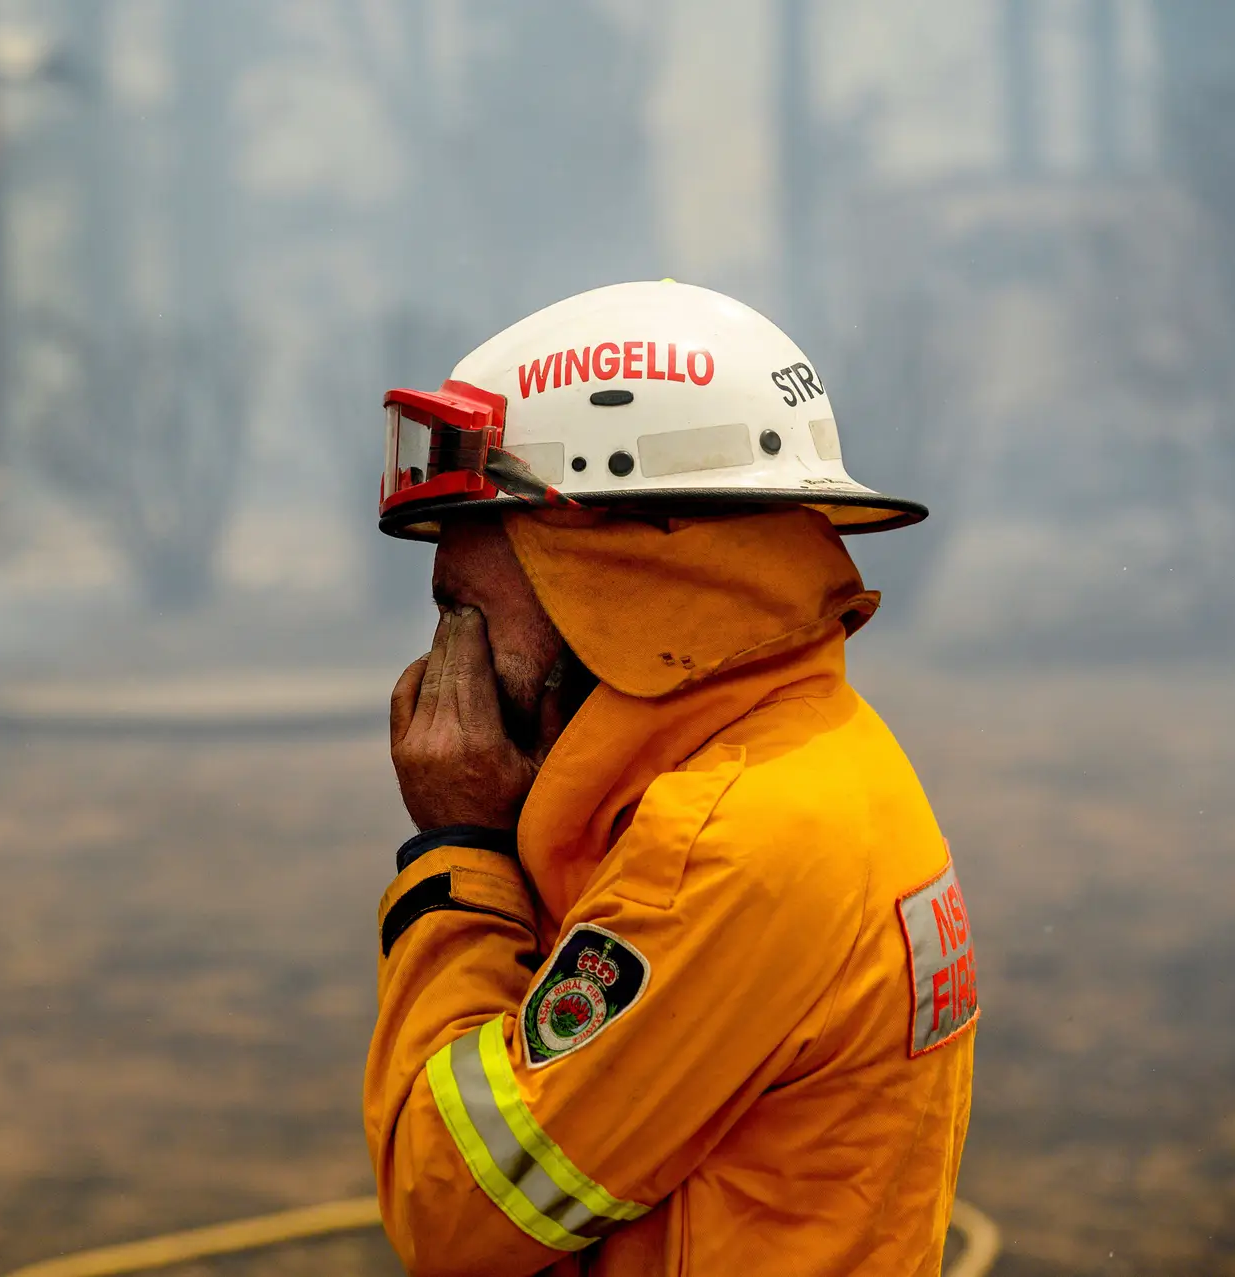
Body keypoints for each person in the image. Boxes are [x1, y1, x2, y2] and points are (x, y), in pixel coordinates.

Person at [363, 281, 978, 1275]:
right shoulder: (802, 746)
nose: (444, 661)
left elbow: (457, 1205)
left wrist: (460, 854)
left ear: (609, 578)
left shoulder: (726, 846)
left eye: (463, 606)